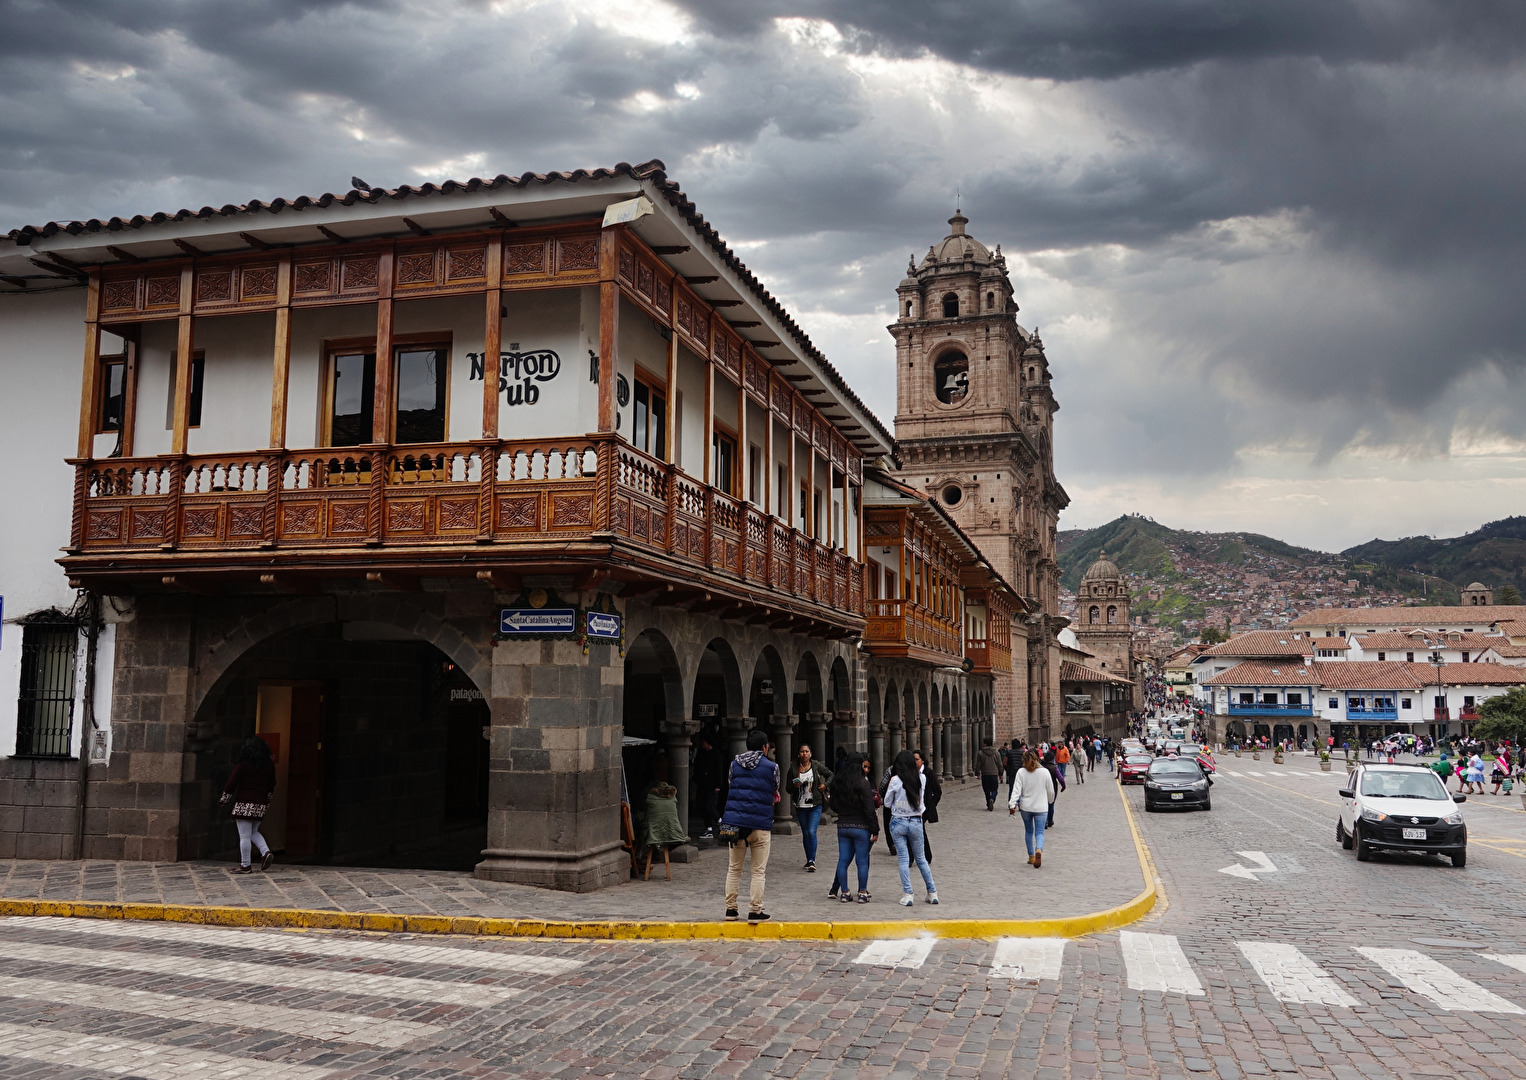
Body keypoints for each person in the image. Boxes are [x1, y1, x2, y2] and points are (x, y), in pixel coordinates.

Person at [719, 729, 779, 922]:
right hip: (760, 824)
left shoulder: (734, 764)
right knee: (758, 870)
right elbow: (775, 789)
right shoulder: (772, 767)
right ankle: (755, 910)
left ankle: (731, 909)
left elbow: (731, 785)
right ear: (764, 747)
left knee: (734, 868)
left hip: (736, 824)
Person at [884, 750, 937, 906]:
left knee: (903, 859)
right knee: (921, 859)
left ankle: (908, 894)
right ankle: (932, 892)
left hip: (898, 822)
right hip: (915, 821)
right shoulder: (922, 778)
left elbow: (887, 802)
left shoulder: (895, 780)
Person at [220, 736, 276, 874]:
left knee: (244, 836)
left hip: (244, 803)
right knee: (253, 832)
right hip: (260, 804)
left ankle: (245, 865)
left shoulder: (242, 765)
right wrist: (267, 800)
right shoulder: (269, 765)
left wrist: (224, 799)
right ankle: (265, 851)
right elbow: (271, 785)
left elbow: (231, 784)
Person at [828, 752, 878, 903]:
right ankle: (862, 893)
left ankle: (844, 892)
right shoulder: (863, 783)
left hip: (843, 825)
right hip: (861, 826)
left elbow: (832, 804)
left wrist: (843, 812)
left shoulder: (838, 782)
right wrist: (874, 829)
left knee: (842, 860)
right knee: (862, 861)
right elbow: (869, 809)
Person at [785, 743, 833, 872]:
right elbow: (787, 788)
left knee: (812, 832)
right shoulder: (794, 768)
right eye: (802, 751)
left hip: (815, 804)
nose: (804, 754)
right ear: (798, 754)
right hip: (801, 805)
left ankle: (812, 860)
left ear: (810, 753)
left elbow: (830, 775)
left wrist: (825, 785)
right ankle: (808, 859)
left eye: (806, 751)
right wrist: (795, 786)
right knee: (806, 833)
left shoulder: (816, 766)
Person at [1009, 750, 1058, 867]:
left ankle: (1031, 856)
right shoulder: (1044, 772)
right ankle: (1039, 849)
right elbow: (1051, 790)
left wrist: (1012, 804)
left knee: (1029, 831)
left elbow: (1016, 790)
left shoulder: (1021, 772)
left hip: (1026, 807)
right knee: (1039, 832)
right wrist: (1050, 801)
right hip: (1041, 807)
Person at [692, 732, 723, 838]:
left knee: (709, 805)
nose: (702, 744)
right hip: (702, 784)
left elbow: (718, 770)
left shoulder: (716, 754)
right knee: (701, 806)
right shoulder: (701, 753)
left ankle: (720, 821)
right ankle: (709, 828)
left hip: (712, 784)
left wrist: (718, 784)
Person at [913, 750, 941, 864]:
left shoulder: (929, 773)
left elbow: (937, 791)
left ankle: (925, 855)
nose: (915, 762)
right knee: (918, 831)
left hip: (924, 808)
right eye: (913, 759)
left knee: (919, 830)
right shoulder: (912, 773)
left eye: (917, 759)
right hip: (914, 807)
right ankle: (922, 856)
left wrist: (931, 804)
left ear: (922, 760)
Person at [977, 738, 1003, 810]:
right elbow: (999, 764)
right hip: (994, 774)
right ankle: (992, 798)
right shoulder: (996, 753)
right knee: (994, 789)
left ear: (985, 744)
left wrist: (977, 773)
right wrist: (1001, 774)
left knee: (986, 790)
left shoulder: (981, 753)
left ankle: (988, 803)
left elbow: (978, 764)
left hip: (985, 774)